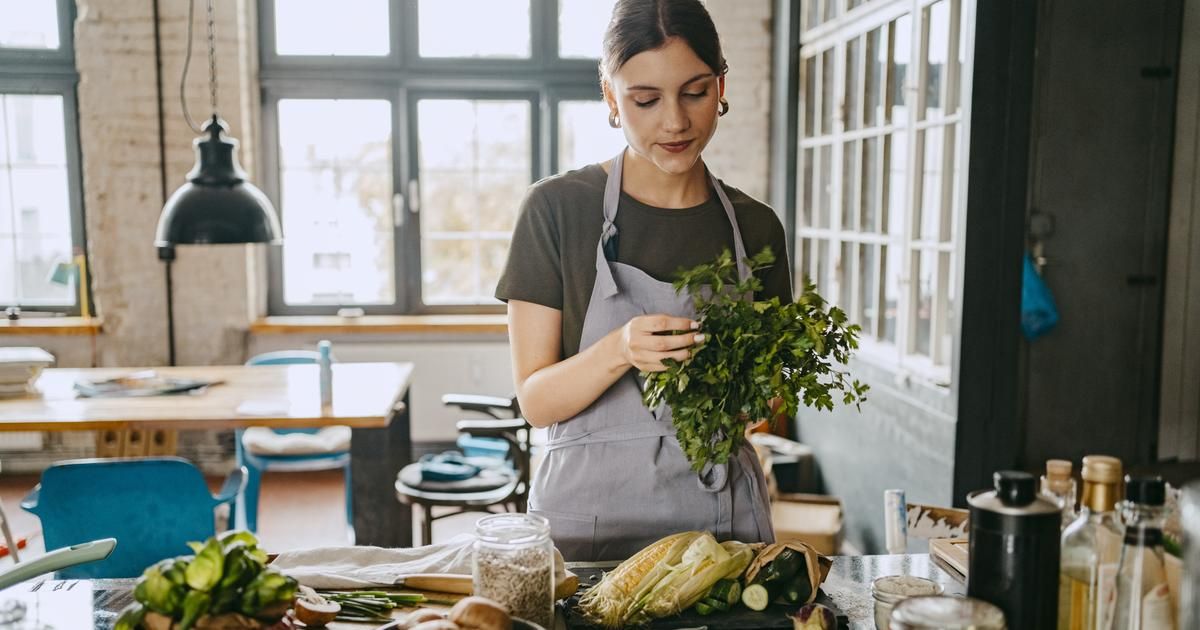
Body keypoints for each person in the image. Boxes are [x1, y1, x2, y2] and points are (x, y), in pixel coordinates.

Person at [494, 0, 791, 562]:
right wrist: (620, 350)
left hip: (721, 527)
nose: (674, 121)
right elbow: (535, 400)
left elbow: (767, 400)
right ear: (611, 95)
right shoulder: (557, 210)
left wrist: (751, 389)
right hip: (587, 531)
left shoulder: (755, 227)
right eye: (646, 99)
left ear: (721, 85)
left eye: (695, 92)